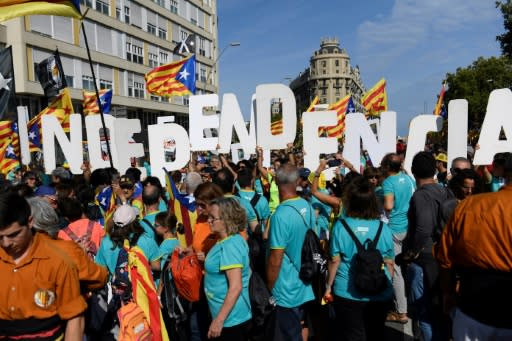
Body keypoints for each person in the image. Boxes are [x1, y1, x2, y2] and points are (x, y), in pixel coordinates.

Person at [436, 152, 512, 340]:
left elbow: (445, 257)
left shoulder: (469, 206)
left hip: (473, 306)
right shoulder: (468, 206)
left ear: (504, 174)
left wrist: (448, 291)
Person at [0, 192, 87, 340]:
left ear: (30, 222)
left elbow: (74, 317)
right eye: (0, 237)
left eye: (14, 235)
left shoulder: (58, 261)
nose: (6, 243)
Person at [325, 177, 394, 340]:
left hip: (348, 291)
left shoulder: (341, 226)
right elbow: (389, 262)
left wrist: (328, 287)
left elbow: (335, 260)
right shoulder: (383, 228)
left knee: (352, 333)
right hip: (379, 290)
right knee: (376, 332)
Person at [403, 151, 454, 341]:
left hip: (424, 259)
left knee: (425, 312)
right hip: (443, 257)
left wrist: (411, 252)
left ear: (413, 171)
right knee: (440, 312)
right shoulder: (445, 190)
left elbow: (423, 228)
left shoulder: (421, 196)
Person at [266, 163, 315, 341]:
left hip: (285, 288)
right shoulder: (307, 206)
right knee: (302, 327)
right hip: (305, 282)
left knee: (286, 334)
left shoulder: (280, 215)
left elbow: (275, 259)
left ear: (276, 181)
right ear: (297, 182)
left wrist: (269, 288)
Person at [204, 197, 251, 340]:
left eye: (213, 218)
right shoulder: (228, 240)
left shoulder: (230, 246)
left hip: (231, 320)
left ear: (226, 220)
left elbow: (236, 287)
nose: (208, 221)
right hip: (229, 317)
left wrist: (219, 321)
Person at [381, 153, 415, 323]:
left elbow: (388, 206)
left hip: (395, 228)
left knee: (396, 271)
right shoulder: (409, 179)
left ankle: (402, 312)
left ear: (387, 167)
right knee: (409, 267)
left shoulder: (388, 182)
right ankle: (410, 305)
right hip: (410, 227)